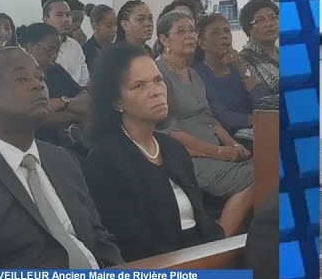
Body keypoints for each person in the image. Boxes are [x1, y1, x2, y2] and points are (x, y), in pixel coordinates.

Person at [0, 47, 122, 269]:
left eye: (40, 77)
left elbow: (99, 238)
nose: (38, 85)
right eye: (21, 79)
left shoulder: (62, 158)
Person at [82, 43, 226, 262]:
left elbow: (202, 219)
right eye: (139, 86)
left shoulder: (172, 147)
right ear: (117, 101)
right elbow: (129, 242)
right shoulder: (105, 159)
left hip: (200, 257)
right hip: (158, 272)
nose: (156, 91)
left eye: (158, 81)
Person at [155, 12, 256, 236]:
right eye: (181, 32)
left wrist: (234, 145)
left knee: (268, 167)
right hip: (188, 157)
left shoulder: (192, 73)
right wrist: (217, 151)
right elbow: (168, 132)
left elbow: (210, 118)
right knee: (262, 174)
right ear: (164, 39)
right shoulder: (158, 74)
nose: (190, 36)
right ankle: (220, 242)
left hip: (216, 152)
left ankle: (229, 235)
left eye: (192, 30)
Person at [19, 22, 90, 151]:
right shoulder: (18, 77)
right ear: (30, 47)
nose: (55, 55)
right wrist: (73, 114)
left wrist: (62, 103)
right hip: (36, 146)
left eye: (57, 50)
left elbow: (86, 100)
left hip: (67, 144)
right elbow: (33, 118)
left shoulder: (55, 70)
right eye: (50, 49)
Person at [193, 14, 264, 138]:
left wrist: (242, 68)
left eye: (227, 31)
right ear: (201, 43)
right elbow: (220, 115)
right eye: (215, 33)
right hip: (226, 137)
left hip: (257, 129)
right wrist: (256, 120)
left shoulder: (238, 65)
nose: (224, 36)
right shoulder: (198, 74)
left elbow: (262, 102)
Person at [44, 0, 91, 88]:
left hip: (76, 98)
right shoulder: (38, 47)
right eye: (59, 15)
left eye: (68, 15)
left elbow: (84, 82)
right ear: (46, 20)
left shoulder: (75, 46)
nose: (66, 19)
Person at [237, 0, 280, 97]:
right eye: (260, 20)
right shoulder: (244, 61)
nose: (269, 24)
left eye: (273, 17)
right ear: (248, 29)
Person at [83, 4, 117, 78]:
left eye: (115, 25)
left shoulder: (117, 49)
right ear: (95, 26)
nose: (114, 30)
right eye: (109, 26)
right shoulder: (84, 52)